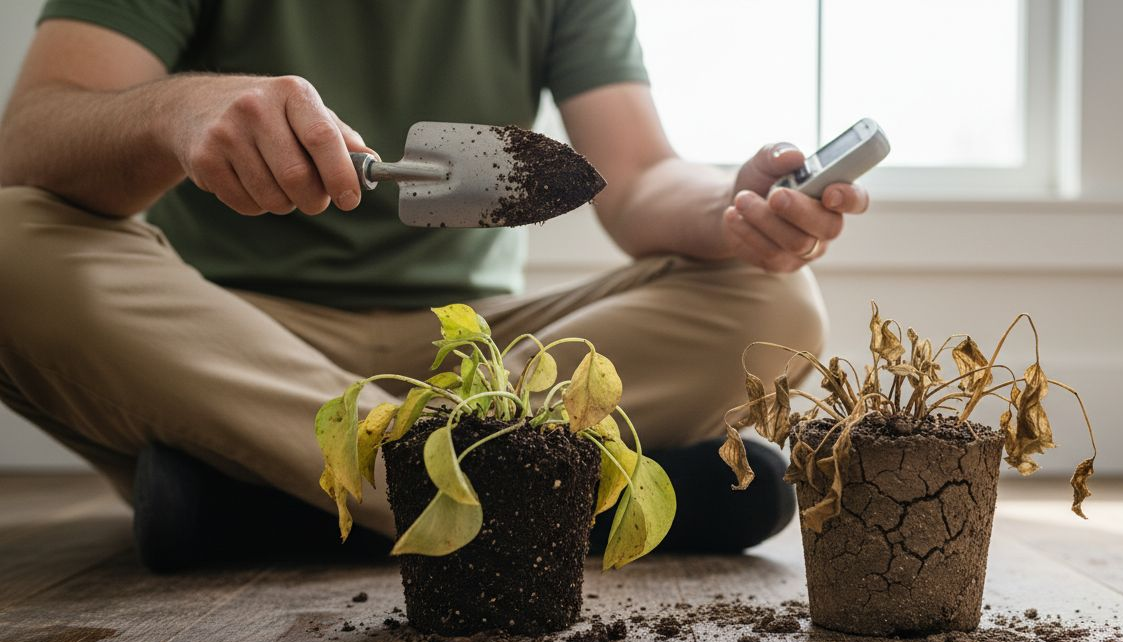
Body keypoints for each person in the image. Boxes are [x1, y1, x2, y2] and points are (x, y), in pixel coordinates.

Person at [0, 0, 870, 571]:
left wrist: (730, 210)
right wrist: (174, 113)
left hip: (476, 357)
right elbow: (29, 139)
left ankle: (270, 504)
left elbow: (638, 176)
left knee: (776, 304)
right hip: (228, 342)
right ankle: (539, 497)